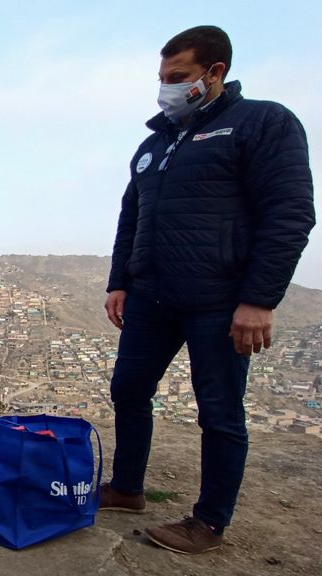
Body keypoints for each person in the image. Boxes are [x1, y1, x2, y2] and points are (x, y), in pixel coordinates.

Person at [100, 26, 315, 555]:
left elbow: (289, 213)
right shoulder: (155, 145)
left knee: (219, 412)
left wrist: (259, 298)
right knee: (128, 389)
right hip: (151, 296)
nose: (167, 89)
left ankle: (209, 521)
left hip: (219, 299)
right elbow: (132, 218)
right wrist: (119, 282)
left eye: (179, 78)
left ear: (214, 72)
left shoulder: (262, 123)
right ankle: (128, 488)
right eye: (162, 79)